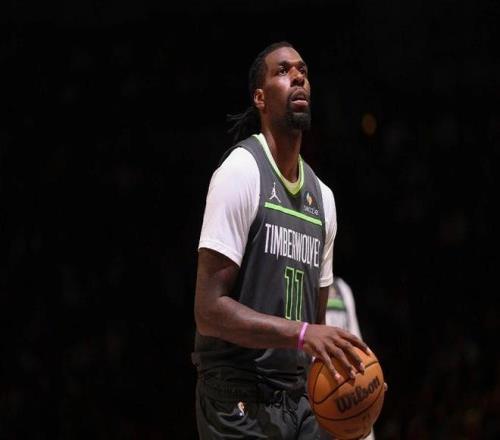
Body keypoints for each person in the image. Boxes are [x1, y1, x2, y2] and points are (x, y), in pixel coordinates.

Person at [192, 41, 371, 439]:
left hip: (298, 395)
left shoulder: (323, 199)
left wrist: (359, 387)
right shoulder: (241, 172)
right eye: (283, 71)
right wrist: (301, 334)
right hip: (237, 393)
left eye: (303, 71)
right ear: (260, 97)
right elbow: (208, 311)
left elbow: (317, 328)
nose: (298, 78)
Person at [326, 277, 376, 440]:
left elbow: (357, 344)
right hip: (320, 390)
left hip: (351, 392)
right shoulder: (304, 284)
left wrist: (372, 378)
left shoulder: (342, 288)